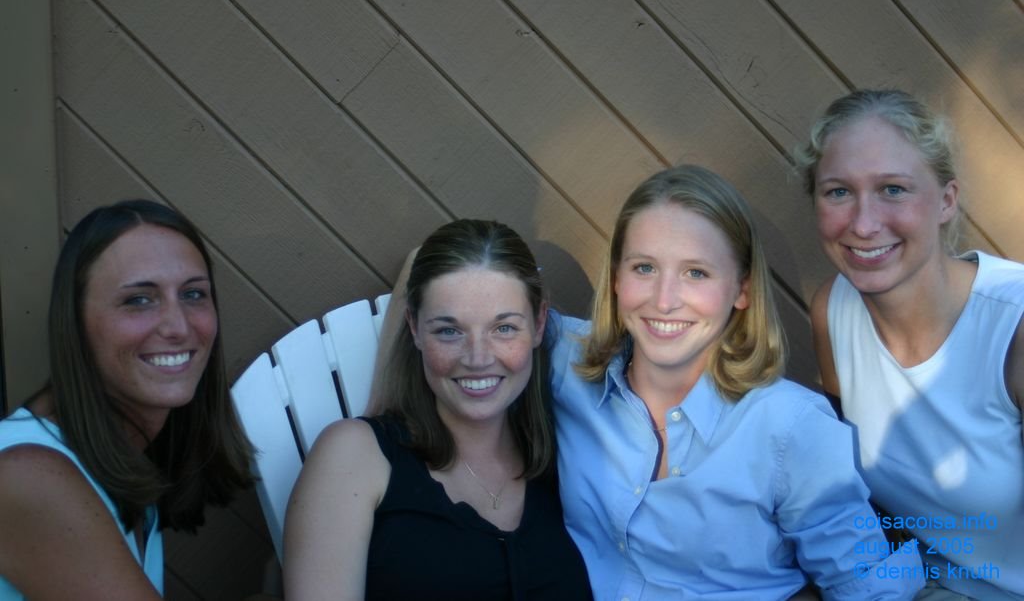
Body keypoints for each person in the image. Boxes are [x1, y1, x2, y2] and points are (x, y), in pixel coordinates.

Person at [547, 165, 923, 599]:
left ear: (742, 290)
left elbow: (868, 587)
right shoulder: (564, 363)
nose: (664, 301)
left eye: (696, 273)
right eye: (644, 268)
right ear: (616, 278)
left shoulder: (789, 426)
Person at [283, 219, 592, 601]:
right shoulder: (355, 456)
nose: (477, 358)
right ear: (413, 328)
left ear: (539, 324)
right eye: (449, 330)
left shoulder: (566, 462)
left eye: (504, 328)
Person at [799, 89, 1024, 600]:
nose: (863, 224)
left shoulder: (1013, 328)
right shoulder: (834, 310)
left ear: (946, 200)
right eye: (838, 192)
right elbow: (854, 497)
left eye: (893, 189)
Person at [0, 199, 254, 600]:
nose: (178, 326)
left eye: (193, 294)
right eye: (139, 299)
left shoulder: (122, 460)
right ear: (75, 322)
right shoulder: (29, 476)